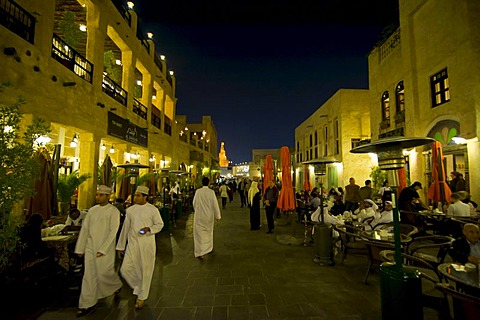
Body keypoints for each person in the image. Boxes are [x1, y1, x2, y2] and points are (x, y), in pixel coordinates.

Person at [74, 185, 123, 317]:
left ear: (107, 196)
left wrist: (103, 248)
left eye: (101, 195)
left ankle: (115, 285)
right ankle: (86, 304)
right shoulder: (92, 211)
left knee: (103, 273)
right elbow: (85, 229)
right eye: (97, 195)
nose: (98, 197)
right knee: (89, 275)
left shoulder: (113, 211)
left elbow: (113, 231)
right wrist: (80, 248)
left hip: (105, 249)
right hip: (90, 247)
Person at [116, 185, 164, 310]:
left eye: (138, 195)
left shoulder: (152, 210)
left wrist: (150, 229)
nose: (135, 197)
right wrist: (120, 246)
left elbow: (160, 224)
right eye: (135, 195)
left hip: (147, 243)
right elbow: (125, 228)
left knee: (146, 270)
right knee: (125, 269)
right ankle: (138, 287)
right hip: (132, 243)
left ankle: (142, 296)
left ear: (144, 197)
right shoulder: (130, 210)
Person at [192, 177, 221, 259]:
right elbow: (215, 204)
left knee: (199, 234)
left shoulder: (198, 192)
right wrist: (217, 216)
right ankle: (208, 248)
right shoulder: (211, 192)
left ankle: (200, 251)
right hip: (208, 216)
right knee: (208, 233)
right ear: (208, 183)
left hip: (199, 216)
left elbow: (194, 203)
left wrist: (197, 210)